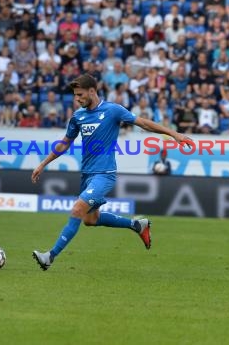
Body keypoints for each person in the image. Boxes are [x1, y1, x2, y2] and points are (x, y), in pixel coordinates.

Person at [31, 74, 190, 270]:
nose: (77, 99)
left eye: (80, 94)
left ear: (92, 91)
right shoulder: (78, 116)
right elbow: (65, 143)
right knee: (91, 219)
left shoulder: (112, 110)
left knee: (77, 210)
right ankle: (137, 226)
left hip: (104, 174)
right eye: (75, 95)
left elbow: (143, 123)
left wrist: (174, 134)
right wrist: (43, 164)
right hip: (87, 175)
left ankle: (50, 256)